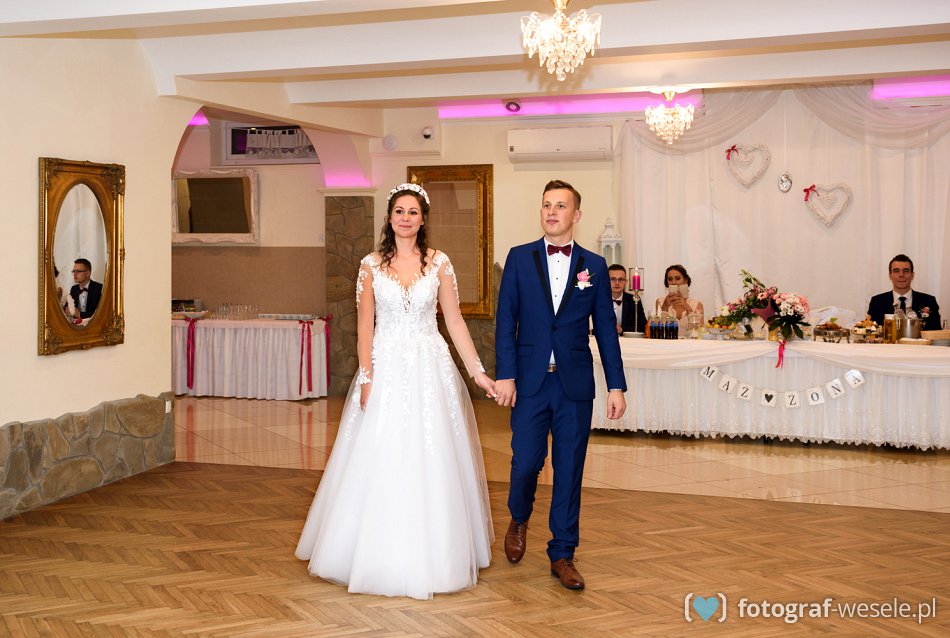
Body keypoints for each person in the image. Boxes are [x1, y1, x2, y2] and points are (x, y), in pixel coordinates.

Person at [295, 183, 496, 600]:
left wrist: (477, 372)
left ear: (423, 219)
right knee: (380, 450)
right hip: (385, 366)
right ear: (389, 217)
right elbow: (364, 326)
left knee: (431, 453)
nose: (406, 218)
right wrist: (367, 377)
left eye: (413, 212)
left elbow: (454, 321)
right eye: (399, 211)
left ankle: (436, 557)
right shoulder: (370, 265)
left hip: (429, 366)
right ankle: (371, 554)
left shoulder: (439, 263)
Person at [494, 179, 627, 590]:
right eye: (546, 205)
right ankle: (519, 517)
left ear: (576, 215)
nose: (551, 212)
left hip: (574, 386)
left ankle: (563, 553)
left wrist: (616, 385)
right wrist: (506, 375)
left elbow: (605, 329)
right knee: (525, 463)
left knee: (569, 469)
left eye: (560, 206)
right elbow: (505, 321)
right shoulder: (519, 258)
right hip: (529, 383)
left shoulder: (594, 266)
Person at [867, 254, 941, 330]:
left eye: (906, 271)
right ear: (890, 275)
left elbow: (936, 332)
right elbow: (870, 332)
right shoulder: (877, 302)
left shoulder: (928, 301)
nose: (901, 275)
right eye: (896, 271)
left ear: (912, 275)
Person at [608, 263, 646, 333]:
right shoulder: (599, 300)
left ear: (626, 282)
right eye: (613, 279)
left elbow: (643, 326)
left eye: (621, 279)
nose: (617, 283)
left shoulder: (634, 300)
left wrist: (621, 329)